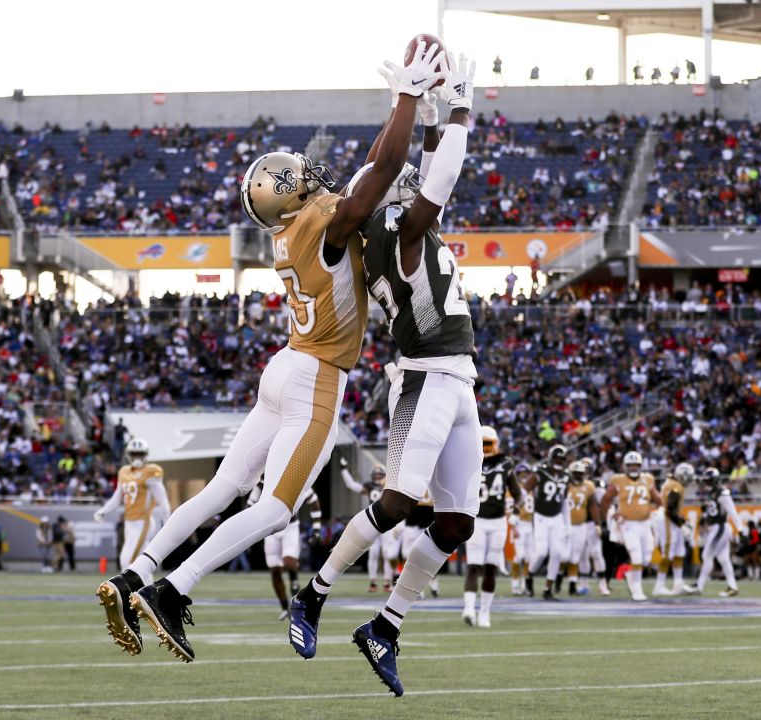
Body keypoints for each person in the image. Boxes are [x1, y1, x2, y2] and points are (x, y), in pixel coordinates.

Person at [100, 42, 446, 665]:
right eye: (301, 175)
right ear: (291, 191)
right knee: (275, 510)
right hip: (315, 375)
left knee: (222, 487)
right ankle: (173, 589)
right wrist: (408, 100)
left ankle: (135, 575)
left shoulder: (289, 231)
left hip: (284, 365)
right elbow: (385, 169)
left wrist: (402, 107)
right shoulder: (322, 222)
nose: (313, 176)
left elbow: (373, 171)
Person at [289, 51, 479, 697]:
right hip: (424, 375)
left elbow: (423, 169)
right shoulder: (396, 233)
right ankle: (313, 594)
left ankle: (386, 627)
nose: (406, 185)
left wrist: (425, 107)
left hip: (458, 379)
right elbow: (439, 176)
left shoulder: (401, 225)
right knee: (399, 502)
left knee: (456, 524)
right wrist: (458, 104)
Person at [462, 427, 521, 628]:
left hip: (497, 522)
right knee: (474, 566)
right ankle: (469, 608)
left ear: (495, 444)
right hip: (476, 520)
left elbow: (517, 492)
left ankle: (485, 612)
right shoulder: (469, 461)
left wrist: (517, 511)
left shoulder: (505, 464)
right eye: (483, 444)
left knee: (490, 568)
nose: (486, 448)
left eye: (489, 444)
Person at [251, 478, 322, 620]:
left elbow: (314, 503)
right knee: (275, 570)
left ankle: (295, 586)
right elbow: (250, 505)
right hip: (270, 528)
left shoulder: (297, 478)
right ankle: (284, 607)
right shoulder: (263, 481)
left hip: (290, 526)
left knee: (289, 562)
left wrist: (316, 529)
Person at [598, 451, 663, 601]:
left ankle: (629, 574)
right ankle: (637, 590)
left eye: (636, 465)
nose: (633, 468)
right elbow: (606, 500)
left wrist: (659, 512)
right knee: (636, 555)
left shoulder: (647, 479)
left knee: (646, 558)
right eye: (630, 465)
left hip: (645, 524)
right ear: (625, 467)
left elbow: (658, 499)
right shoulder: (618, 480)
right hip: (627, 524)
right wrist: (611, 513)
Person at [95, 439, 171, 568]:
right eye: (134, 454)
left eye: (140, 454)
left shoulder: (151, 472)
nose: (137, 457)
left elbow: (162, 500)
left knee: (127, 561)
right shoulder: (124, 471)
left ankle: (132, 588)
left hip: (143, 522)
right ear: (129, 455)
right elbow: (117, 498)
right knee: (141, 563)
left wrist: (167, 522)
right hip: (129, 522)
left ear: (145, 455)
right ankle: (146, 587)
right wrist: (103, 511)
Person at [340, 462, 399, 592]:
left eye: (380, 474)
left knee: (387, 553)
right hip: (374, 522)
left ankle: (387, 583)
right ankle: (373, 583)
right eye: (376, 474)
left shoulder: (391, 486)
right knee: (374, 553)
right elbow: (352, 485)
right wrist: (344, 469)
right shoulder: (369, 486)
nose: (377, 477)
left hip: (388, 523)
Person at [685, 468, 740, 597]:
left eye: (709, 481)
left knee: (706, 556)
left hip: (720, 527)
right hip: (716, 528)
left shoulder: (723, 493)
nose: (707, 483)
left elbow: (732, 511)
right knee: (723, 558)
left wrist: (741, 529)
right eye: (706, 481)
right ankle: (732, 587)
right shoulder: (712, 493)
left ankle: (699, 586)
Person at [527, 445, 571, 600]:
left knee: (557, 553)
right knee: (541, 552)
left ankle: (547, 589)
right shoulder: (540, 473)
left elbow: (565, 501)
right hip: (540, 516)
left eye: (562, 459)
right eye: (557, 458)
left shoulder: (566, 476)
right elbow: (526, 489)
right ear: (551, 458)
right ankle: (529, 575)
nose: (559, 461)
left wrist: (567, 525)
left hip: (557, 517)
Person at [564, 458, 602, 596]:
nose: (578, 476)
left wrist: (597, 523)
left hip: (580, 525)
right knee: (562, 555)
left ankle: (572, 585)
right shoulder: (563, 484)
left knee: (576, 556)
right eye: (575, 473)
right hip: (564, 525)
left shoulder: (590, 486)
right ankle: (555, 581)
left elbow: (593, 506)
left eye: (580, 473)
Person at [652, 463, 691, 596]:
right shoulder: (675, 486)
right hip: (667, 520)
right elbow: (669, 508)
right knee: (668, 554)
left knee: (679, 552)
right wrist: (681, 524)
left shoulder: (672, 483)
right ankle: (659, 585)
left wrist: (682, 522)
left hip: (671, 519)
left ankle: (678, 584)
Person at [509, 463, 536, 596]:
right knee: (519, 556)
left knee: (529, 558)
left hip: (531, 525)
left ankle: (526, 584)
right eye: (521, 474)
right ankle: (515, 584)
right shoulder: (517, 489)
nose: (524, 476)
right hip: (520, 523)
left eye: (526, 473)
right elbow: (513, 509)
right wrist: (514, 527)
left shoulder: (533, 489)